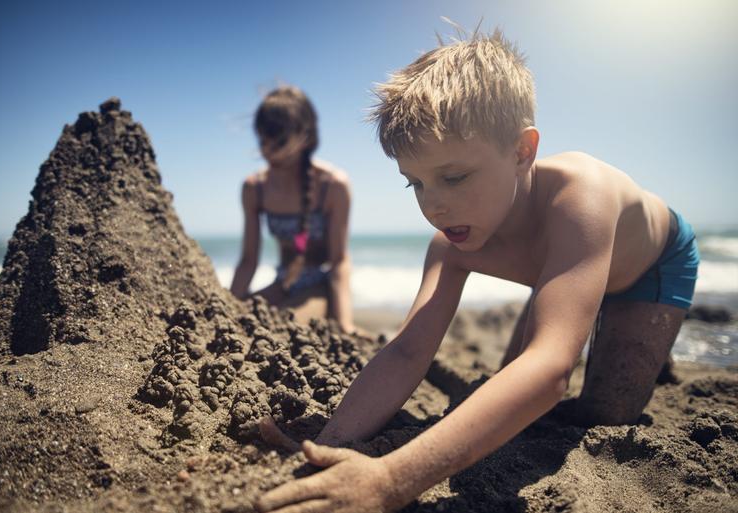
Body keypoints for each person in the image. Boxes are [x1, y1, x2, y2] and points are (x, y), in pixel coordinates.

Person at [254, 27, 700, 513]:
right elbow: (406, 351)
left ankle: (643, 342)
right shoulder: (452, 244)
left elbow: (552, 372)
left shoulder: (581, 200)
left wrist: (391, 478)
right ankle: (582, 312)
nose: (434, 207)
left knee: (604, 414)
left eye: (454, 177)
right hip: (564, 269)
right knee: (511, 388)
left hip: (649, 267)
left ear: (522, 151)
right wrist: (332, 441)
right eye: (415, 185)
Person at [230, 86, 355, 333]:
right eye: (263, 140)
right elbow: (248, 261)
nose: (268, 150)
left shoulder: (333, 186)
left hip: (321, 287)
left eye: (279, 141)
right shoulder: (254, 188)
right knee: (237, 322)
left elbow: (340, 262)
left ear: (305, 136)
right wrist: (229, 306)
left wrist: (344, 323)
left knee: (288, 329)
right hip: (284, 283)